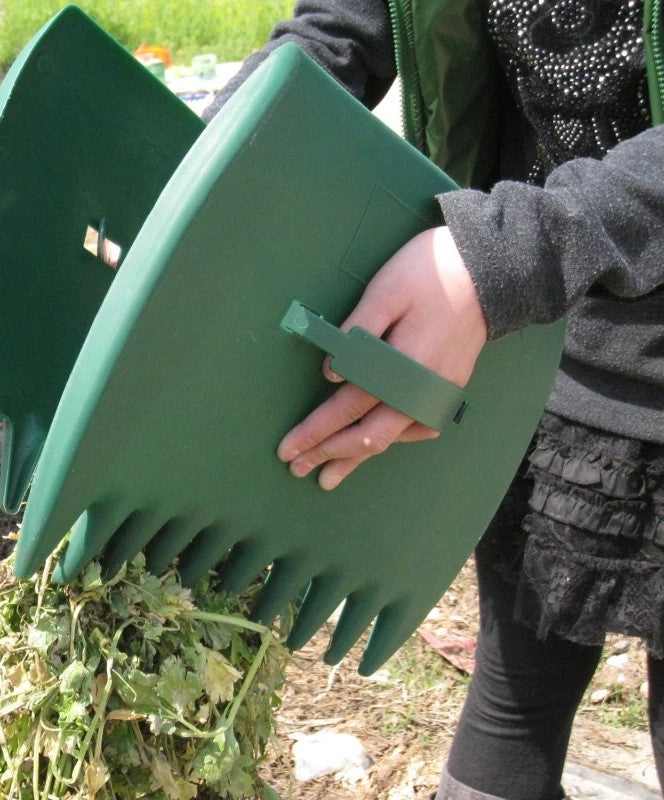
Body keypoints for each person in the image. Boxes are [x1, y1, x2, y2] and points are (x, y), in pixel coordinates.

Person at [204, 1, 664, 798]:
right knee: (511, 708)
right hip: (545, 341)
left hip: (529, 272)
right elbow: (338, 33)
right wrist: (207, 170)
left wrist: (505, 255)